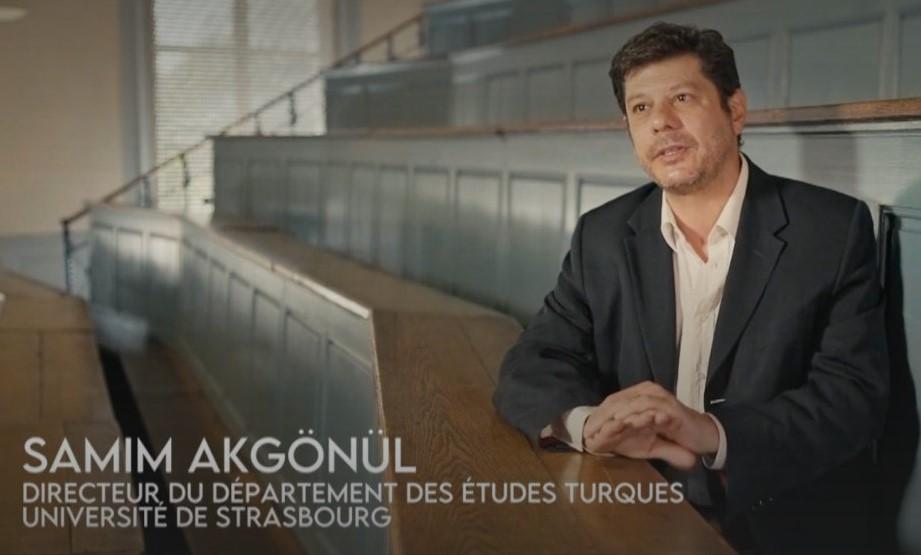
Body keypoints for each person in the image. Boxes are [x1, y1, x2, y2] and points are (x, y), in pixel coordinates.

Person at [493, 22, 889, 554]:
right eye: (641, 108)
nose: (661, 121)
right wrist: (589, 424)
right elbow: (533, 361)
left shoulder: (831, 230)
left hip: (780, 525)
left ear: (735, 110)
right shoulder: (602, 235)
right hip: (632, 510)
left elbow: (852, 399)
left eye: (682, 98)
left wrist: (713, 433)